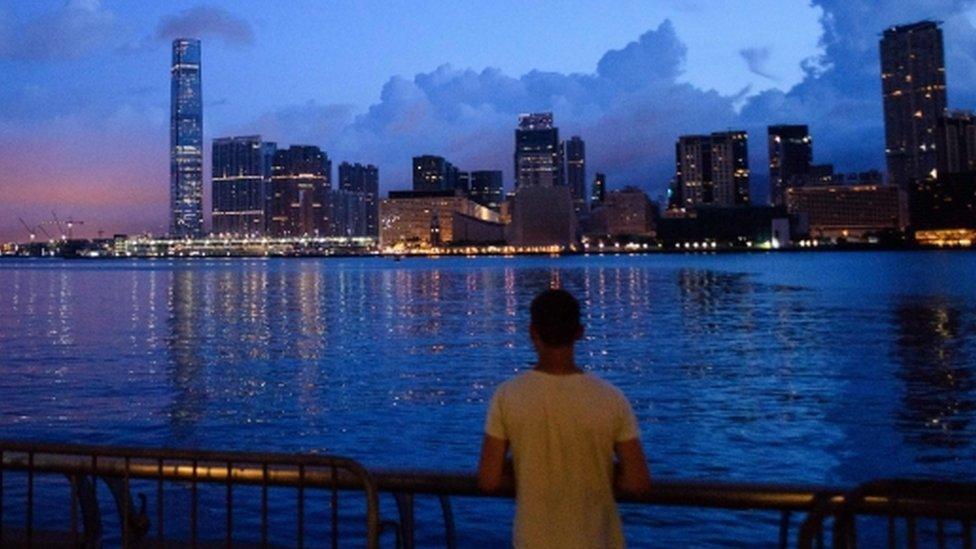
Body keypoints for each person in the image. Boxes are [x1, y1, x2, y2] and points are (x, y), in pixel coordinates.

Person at [477, 288, 652, 548]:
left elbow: (488, 480)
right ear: (579, 332)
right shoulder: (611, 398)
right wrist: (599, 466)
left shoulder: (507, 396)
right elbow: (637, 482)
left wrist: (528, 465)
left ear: (532, 332)